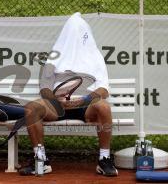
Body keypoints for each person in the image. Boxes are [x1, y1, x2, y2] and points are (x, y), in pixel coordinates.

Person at [19, 12, 118, 176]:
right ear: (65, 35)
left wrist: (81, 101)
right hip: (56, 107)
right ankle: (40, 159)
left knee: (104, 107)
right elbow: (45, 88)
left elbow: (103, 90)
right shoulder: (53, 58)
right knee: (31, 108)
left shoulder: (96, 57)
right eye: (72, 34)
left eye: (81, 34)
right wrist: (56, 101)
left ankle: (104, 159)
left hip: (86, 106)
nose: (76, 38)